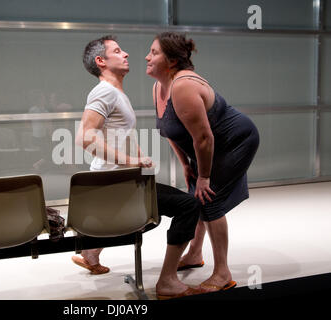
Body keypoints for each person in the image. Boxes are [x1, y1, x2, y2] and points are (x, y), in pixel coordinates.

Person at [71, 35, 202, 299]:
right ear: (101, 61)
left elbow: (121, 135)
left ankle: (91, 253)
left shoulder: (116, 92)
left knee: (162, 202)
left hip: (119, 180)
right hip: (116, 184)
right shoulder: (105, 91)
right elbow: (84, 136)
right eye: (117, 51)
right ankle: (167, 281)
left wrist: (141, 161)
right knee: (190, 206)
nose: (127, 54)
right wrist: (132, 162)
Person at [145, 32, 260, 293]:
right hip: (207, 146)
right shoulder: (158, 87)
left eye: (154, 52)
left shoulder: (183, 86)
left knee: (209, 198)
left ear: (172, 61)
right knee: (193, 198)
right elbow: (168, 129)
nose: (147, 57)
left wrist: (204, 177)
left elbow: (204, 138)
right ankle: (195, 254)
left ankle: (222, 273)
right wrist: (185, 165)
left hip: (235, 141)